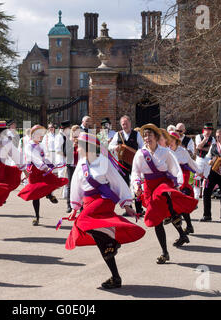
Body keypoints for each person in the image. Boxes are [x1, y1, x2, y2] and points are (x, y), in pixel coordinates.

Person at [65, 132, 145, 289]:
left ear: (86, 147)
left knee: (82, 223)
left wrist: (126, 204)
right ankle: (115, 277)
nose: (76, 148)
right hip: (88, 204)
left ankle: (113, 241)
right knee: (102, 244)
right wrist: (74, 208)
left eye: (79, 146)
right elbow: (76, 187)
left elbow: (117, 182)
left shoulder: (103, 162)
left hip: (103, 200)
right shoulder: (81, 165)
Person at [130, 123, 198, 264]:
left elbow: (175, 169)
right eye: (145, 135)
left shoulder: (165, 152)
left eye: (149, 135)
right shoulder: (140, 154)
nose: (147, 138)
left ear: (155, 136)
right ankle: (165, 252)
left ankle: (180, 230)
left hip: (163, 184)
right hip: (149, 187)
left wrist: (177, 185)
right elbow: (135, 173)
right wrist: (136, 186)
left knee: (164, 199)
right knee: (157, 220)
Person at [18, 125, 68, 226]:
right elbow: (34, 158)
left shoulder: (41, 146)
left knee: (53, 180)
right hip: (34, 171)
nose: (41, 136)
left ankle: (49, 194)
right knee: (35, 194)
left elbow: (44, 157)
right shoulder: (28, 145)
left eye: (42, 134)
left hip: (42, 169)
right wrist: (44, 166)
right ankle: (37, 217)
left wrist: (51, 165)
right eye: (39, 135)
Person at [108, 115, 144, 216]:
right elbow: (110, 146)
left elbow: (142, 147)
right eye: (123, 124)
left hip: (134, 164)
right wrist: (115, 147)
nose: (125, 126)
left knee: (137, 185)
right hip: (122, 164)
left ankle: (139, 208)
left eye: (126, 123)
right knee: (124, 186)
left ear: (130, 123)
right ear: (121, 125)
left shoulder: (136, 134)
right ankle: (129, 208)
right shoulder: (118, 134)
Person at [167, 130, 198, 234]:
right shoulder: (166, 151)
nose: (170, 142)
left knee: (180, 199)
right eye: (168, 140)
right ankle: (188, 226)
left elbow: (191, 163)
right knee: (175, 202)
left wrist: (200, 172)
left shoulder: (183, 151)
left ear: (177, 141)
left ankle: (186, 226)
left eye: (172, 140)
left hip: (183, 175)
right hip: (172, 176)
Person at [193, 123, 215, 199]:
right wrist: (204, 140)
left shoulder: (213, 139)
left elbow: (212, 149)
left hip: (208, 159)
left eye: (210, 130)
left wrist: (203, 148)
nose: (208, 132)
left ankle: (204, 194)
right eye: (207, 130)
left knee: (206, 176)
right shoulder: (199, 136)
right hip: (200, 158)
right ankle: (196, 194)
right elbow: (198, 147)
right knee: (197, 176)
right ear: (204, 130)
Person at [55, 120, 72, 203]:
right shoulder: (60, 136)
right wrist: (65, 155)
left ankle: (65, 193)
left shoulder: (67, 135)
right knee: (62, 176)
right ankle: (50, 191)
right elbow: (58, 149)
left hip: (67, 158)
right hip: (62, 158)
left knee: (67, 176)